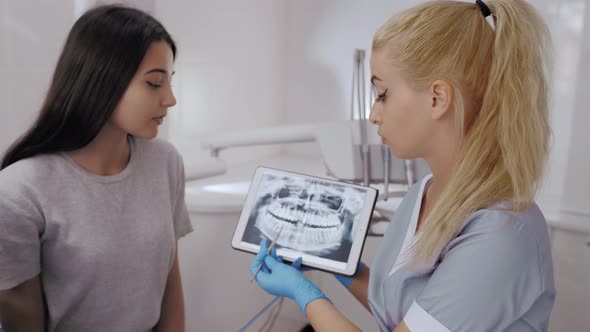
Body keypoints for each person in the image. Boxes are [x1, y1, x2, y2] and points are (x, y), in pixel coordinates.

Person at [249, 0, 555, 331]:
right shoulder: (422, 194)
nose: (373, 114)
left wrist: (304, 295)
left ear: (437, 98)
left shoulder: (501, 234)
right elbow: (406, 311)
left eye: (382, 94)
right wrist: (339, 264)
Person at [0, 5, 192, 332]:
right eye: (154, 83)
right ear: (102, 80)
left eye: (169, 82)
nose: (170, 99)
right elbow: (23, 320)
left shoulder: (165, 162)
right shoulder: (19, 192)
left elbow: (169, 278)